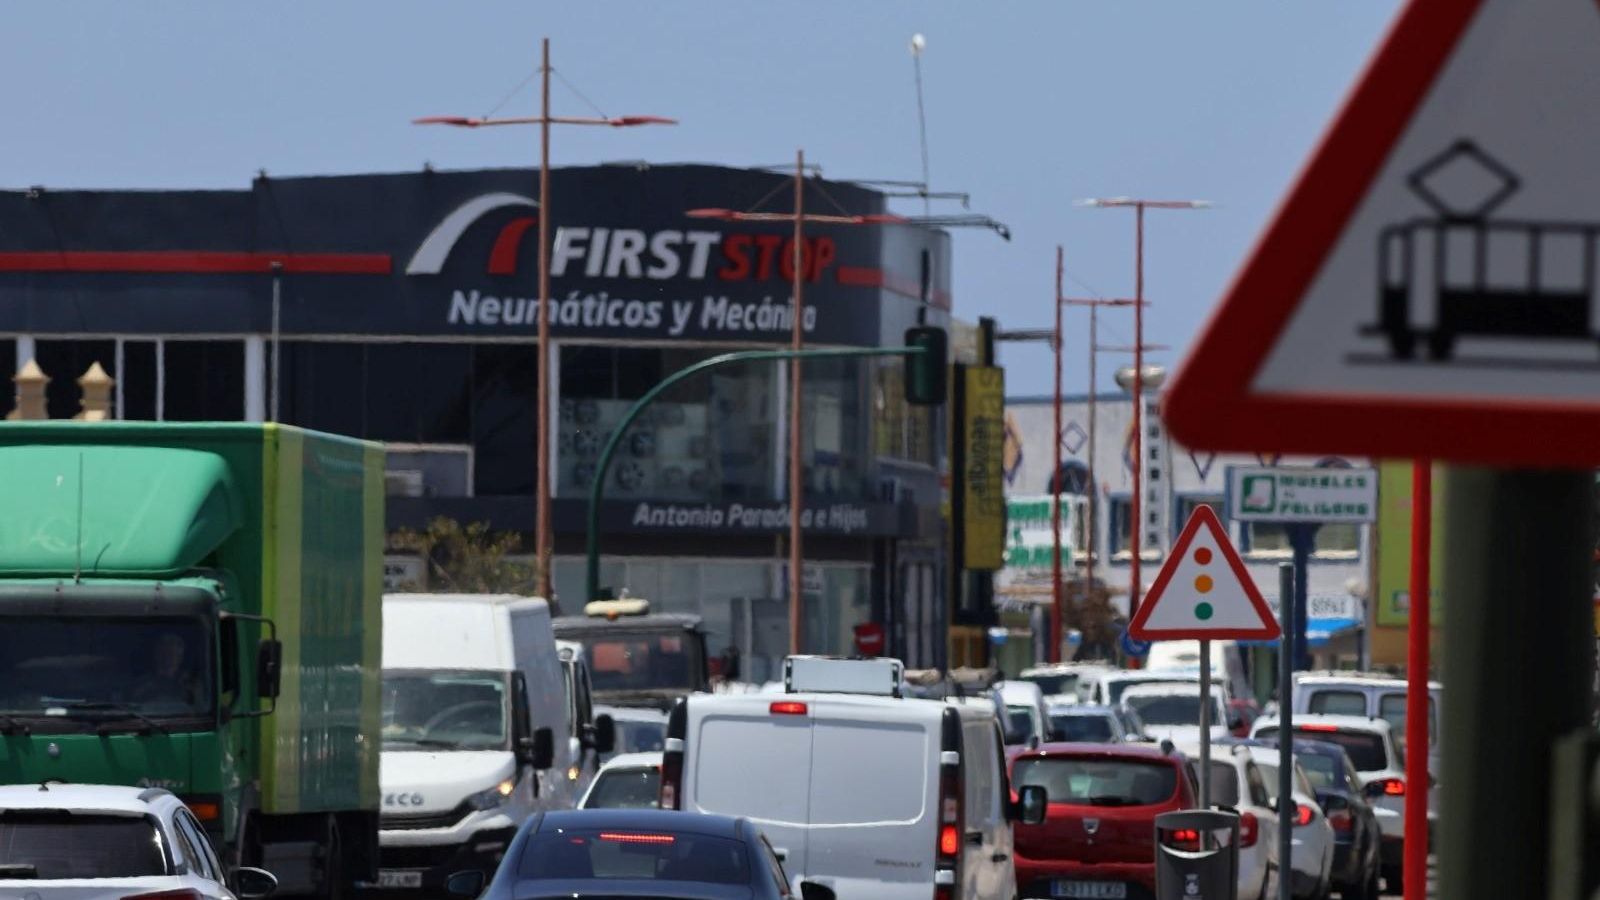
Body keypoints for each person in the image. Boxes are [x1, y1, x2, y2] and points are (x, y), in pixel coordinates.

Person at [131, 632, 193, 705]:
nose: (166, 658)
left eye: (171, 653)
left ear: (180, 657)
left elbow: (196, 708)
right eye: (163, 652)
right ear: (156, 654)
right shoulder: (141, 684)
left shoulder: (189, 683)